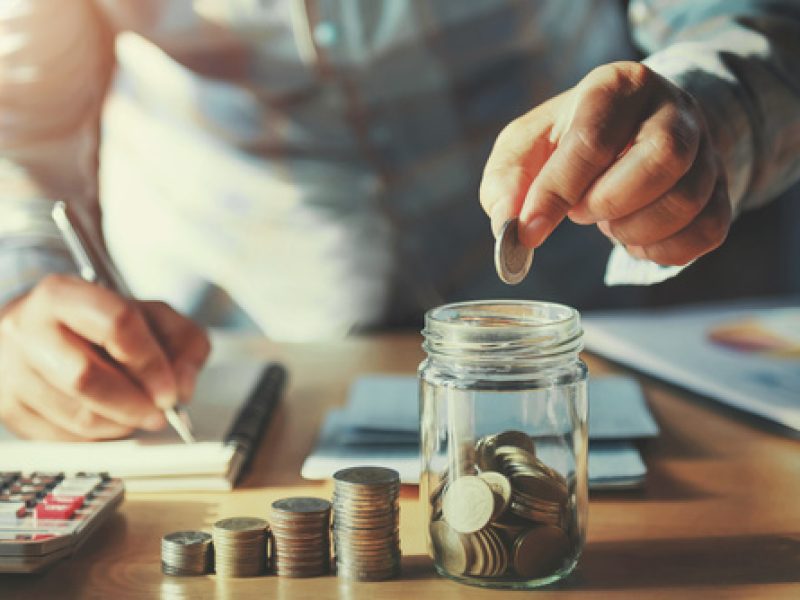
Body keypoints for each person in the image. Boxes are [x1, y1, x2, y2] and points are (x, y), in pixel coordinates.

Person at [0, 0, 798, 441]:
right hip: (227, 361)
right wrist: (18, 293)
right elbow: (22, 120)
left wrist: (701, 116)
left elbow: (757, 20)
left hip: (615, 327)